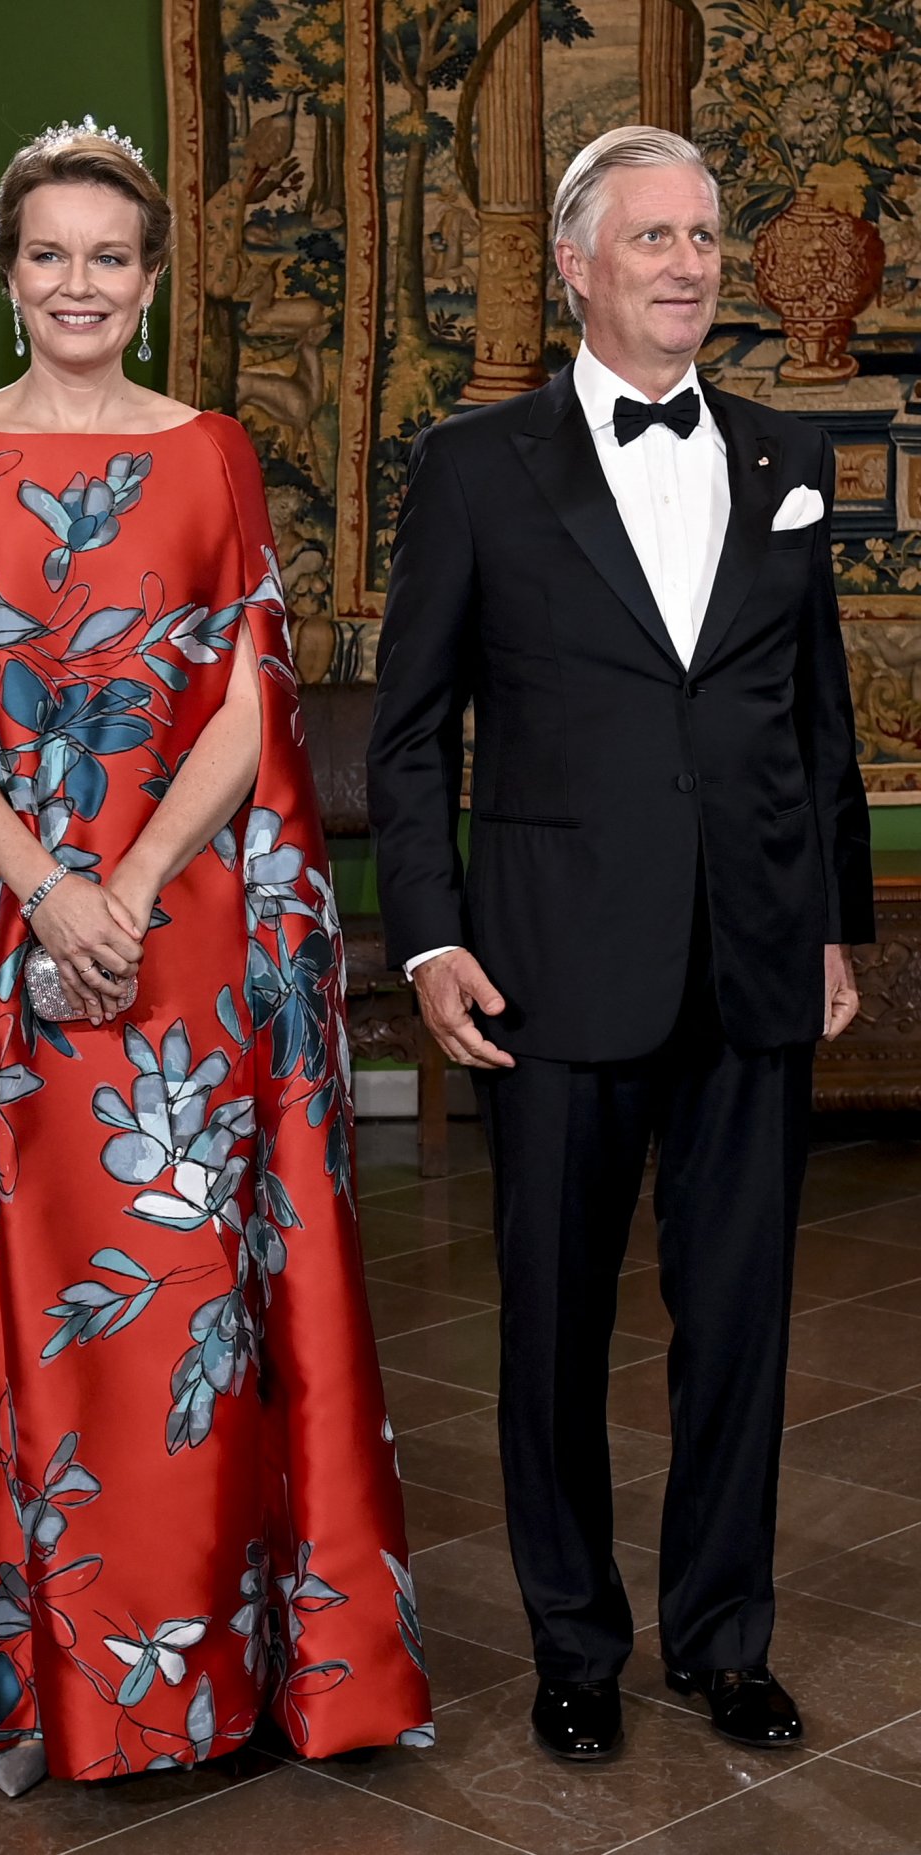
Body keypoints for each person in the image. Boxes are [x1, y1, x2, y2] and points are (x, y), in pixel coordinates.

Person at [0, 117, 432, 1796]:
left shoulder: (214, 453)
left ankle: (179, 1678)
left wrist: (122, 886)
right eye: (49, 254)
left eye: (109, 257)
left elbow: (250, 695)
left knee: (174, 1305)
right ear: (8, 273)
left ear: (152, 281)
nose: (80, 283)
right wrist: (47, 891)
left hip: (179, 936)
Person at [368, 126, 873, 1763]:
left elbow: (816, 718)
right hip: (551, 960)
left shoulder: (787, 453)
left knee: (739, 1323)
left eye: (705, 235)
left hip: (753, 954)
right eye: (652, 236)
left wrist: (833, 922)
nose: (688, 262)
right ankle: (575, 1646)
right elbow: (410, 736)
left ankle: (726, 1640)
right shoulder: (474, 465)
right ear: (575, 265)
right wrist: (430, 942)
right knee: (552, 1325)